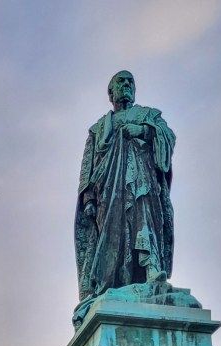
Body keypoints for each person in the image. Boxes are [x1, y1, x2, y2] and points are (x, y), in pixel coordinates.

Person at [75, 71, 175, 305]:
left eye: (131, 81)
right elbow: (88, 166)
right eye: (121, 81)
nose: (127, 84)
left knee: (145, 219)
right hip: (108, 194)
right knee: (113, 237)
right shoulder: (99, 128)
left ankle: (151, 269)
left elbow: (168, 136)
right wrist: (89, 199)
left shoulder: (147, 116)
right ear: (111, 93)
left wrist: (143, 131)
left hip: (143, 182)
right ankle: (112, 283)